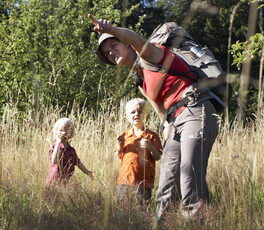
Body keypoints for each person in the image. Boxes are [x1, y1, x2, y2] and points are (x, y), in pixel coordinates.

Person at [88, 14, 218, 221]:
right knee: (166, 186)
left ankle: (198, 223)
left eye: (114, 45)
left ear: (127, 44)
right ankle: (164, 224)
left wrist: (111, 30)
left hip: (196, 110)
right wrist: (167, 135)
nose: (111, 52)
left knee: (189, 177)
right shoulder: (141, 80)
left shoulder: (151, 54)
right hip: (174, 122)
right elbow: (160, 111)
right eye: (107, 52)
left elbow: (138, 40)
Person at [115, 98, 162, 205]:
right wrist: (119, 145)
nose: (136, 114)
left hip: (143, 182)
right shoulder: (124, 136)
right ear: (127, 117)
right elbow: (119, 155)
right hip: (124, 180)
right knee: (121, 207)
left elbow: (157, 156)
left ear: (147, 116)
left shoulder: (152, 136)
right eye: (132, 112)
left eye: (140, 111)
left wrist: (151, 147)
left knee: (142, 208)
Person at [46, 118, 94, 186]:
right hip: (53, 183)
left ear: (71, 134)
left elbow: (78, 162)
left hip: (66, 184)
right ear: (56, 132)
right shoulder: (54, 147)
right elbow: (54, 161)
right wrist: (58, 143)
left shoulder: (71, 150)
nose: (64, 133)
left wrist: (87, 172)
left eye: (67, 131)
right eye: (61, 130)